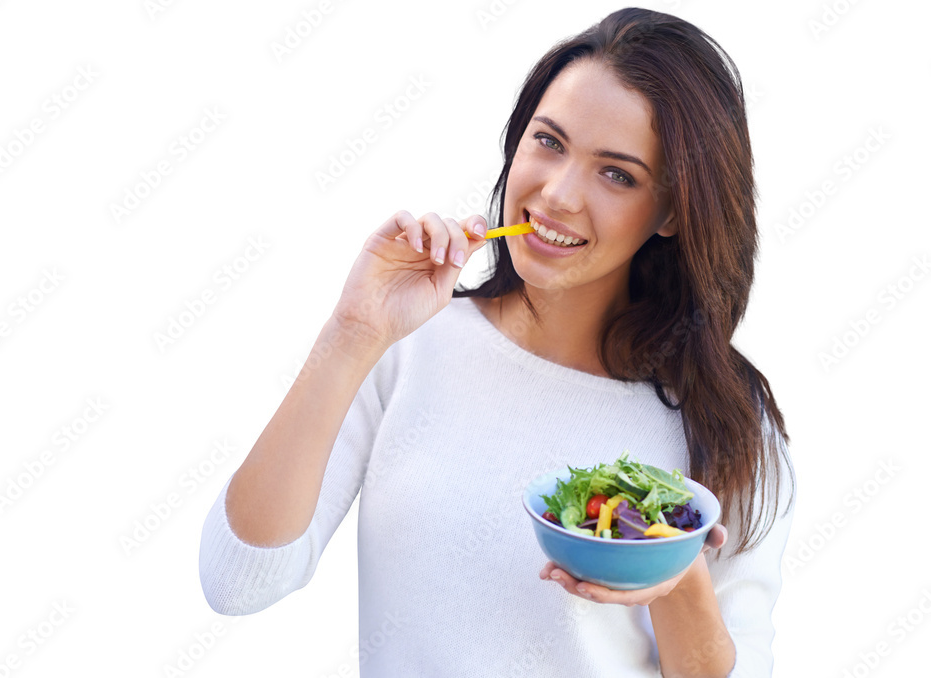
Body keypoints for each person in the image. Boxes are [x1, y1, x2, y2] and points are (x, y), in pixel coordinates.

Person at [199, 7, 796, 677]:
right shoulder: (407, 346)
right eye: (549, 142)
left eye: (617, 174)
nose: (558, 194)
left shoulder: (727, 422)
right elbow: (240, 581)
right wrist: (352, 334)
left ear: (672, 211)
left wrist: (675, 572)